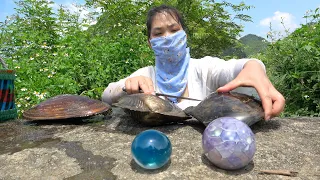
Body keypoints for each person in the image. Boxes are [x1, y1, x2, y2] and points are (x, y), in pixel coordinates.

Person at [102, 5, 285, 121]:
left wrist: (254, 67)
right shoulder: (146, 74)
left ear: (184, 36)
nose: (167, 38)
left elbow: (237, 67)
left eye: (174, 30)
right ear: (150, 43)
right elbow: (107, 95)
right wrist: (126, 88)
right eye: (158, 33)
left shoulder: (204, 68)